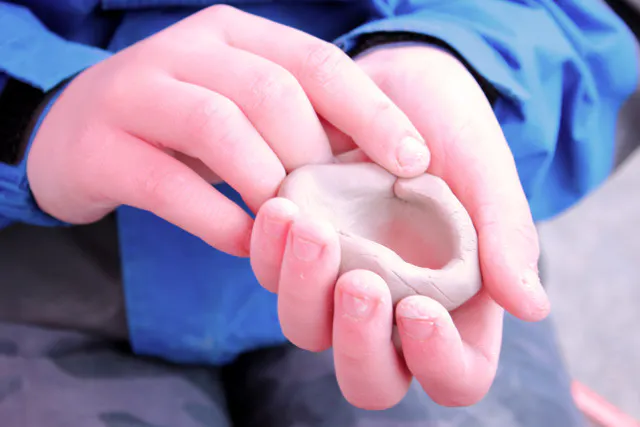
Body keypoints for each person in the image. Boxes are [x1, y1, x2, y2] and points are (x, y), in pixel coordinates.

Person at [0, 0, 636, 426]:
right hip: (36, 284)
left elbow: (603, 18)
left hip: (402, 308)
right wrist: (28, 105)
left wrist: (461, 61)